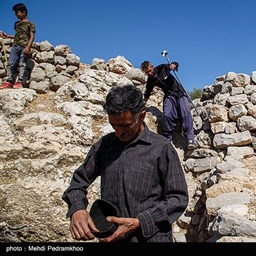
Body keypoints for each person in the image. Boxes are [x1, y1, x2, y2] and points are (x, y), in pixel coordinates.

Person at [62, 84, 189, 242]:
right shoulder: (104, 145)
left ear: (141, 116)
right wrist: (77, 209)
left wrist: (140, 221)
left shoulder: (162, 149)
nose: (118, 132)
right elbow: (78, 183)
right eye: (113, 125)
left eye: (125, 125)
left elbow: (178, 198)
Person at [140, 60, 196, 150]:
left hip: (179, 92)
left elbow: (173, 64)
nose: (149, 73)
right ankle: (168, 137)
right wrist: (143, 103)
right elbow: (147, 92)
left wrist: (173, 65)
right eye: (146, 72)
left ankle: (190, 138)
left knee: (185, 112)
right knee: (167, 114)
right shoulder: (150, 80)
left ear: (152, 67)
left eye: (150, 70)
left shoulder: (162, 68)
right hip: (169, 95)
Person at [0, 3, 35, 89]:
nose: (16, 15)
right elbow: (17, 35)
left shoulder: (30, 24)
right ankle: (9, 80)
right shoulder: (17, 24)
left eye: (17, 13)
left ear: (24, 12)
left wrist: (28, 47)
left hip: (24, 45)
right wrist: (7, 36)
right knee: (11, 63)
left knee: (22, 64)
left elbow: (32, 36)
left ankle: (20, 81)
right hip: (15, 45)